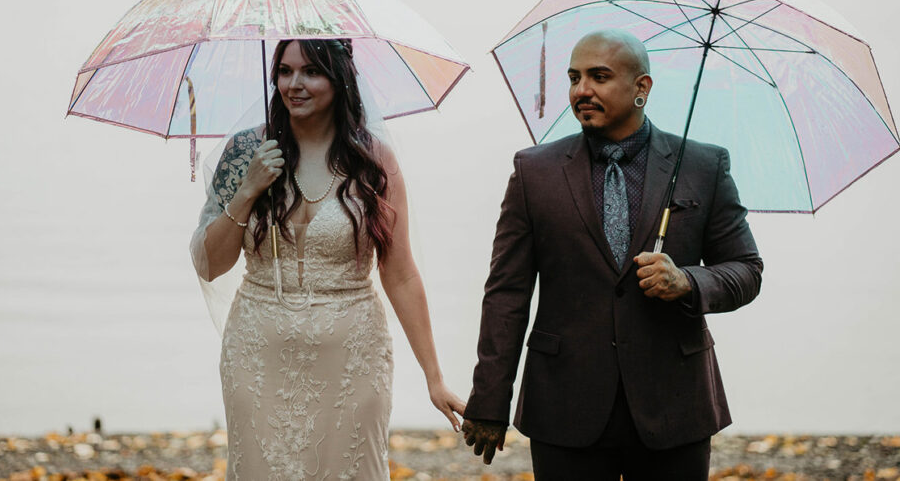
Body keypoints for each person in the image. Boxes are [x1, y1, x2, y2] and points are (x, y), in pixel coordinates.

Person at [461, 30, 763, 479]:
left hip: (675, 404)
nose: (581, 90)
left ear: (642, 88)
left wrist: (688, 281)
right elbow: (507, 293)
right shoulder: (534, 171)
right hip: (564, 404)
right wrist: (489, 399)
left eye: (599, 77)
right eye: (574, 77)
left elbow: (747, 270)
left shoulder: (702, 165)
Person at [190, 38, 465, 480]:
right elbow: (210, 263)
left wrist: (434, 377)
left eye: (310, 71)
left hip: (352, 356)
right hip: (258, 354)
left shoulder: (374, 161)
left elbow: (400, 274)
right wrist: (248, 190)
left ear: (339, 79)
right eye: (283, 71)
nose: (293, 84)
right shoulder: (246, 153)